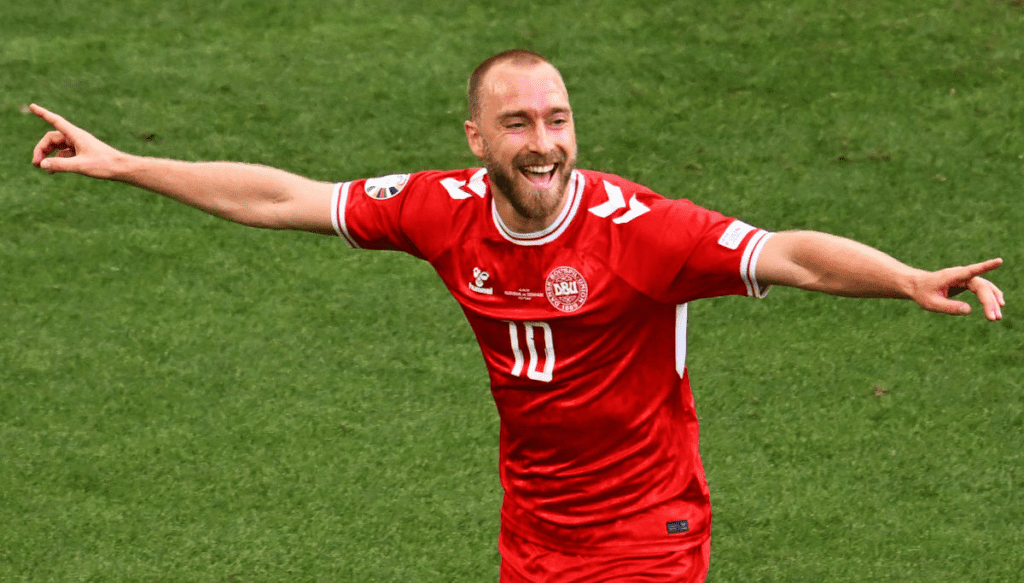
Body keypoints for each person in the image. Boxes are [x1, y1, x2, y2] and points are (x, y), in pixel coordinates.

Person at [30, 49, 1004, 582]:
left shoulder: (645, 232)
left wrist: (906, 276)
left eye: (558, 120)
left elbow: (787, 254)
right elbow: (284, 196)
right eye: (520, 124)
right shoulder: (440, 207)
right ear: (476, 137)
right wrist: (123, 163)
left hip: (646, 535)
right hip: (534, 530)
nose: (545, 144)